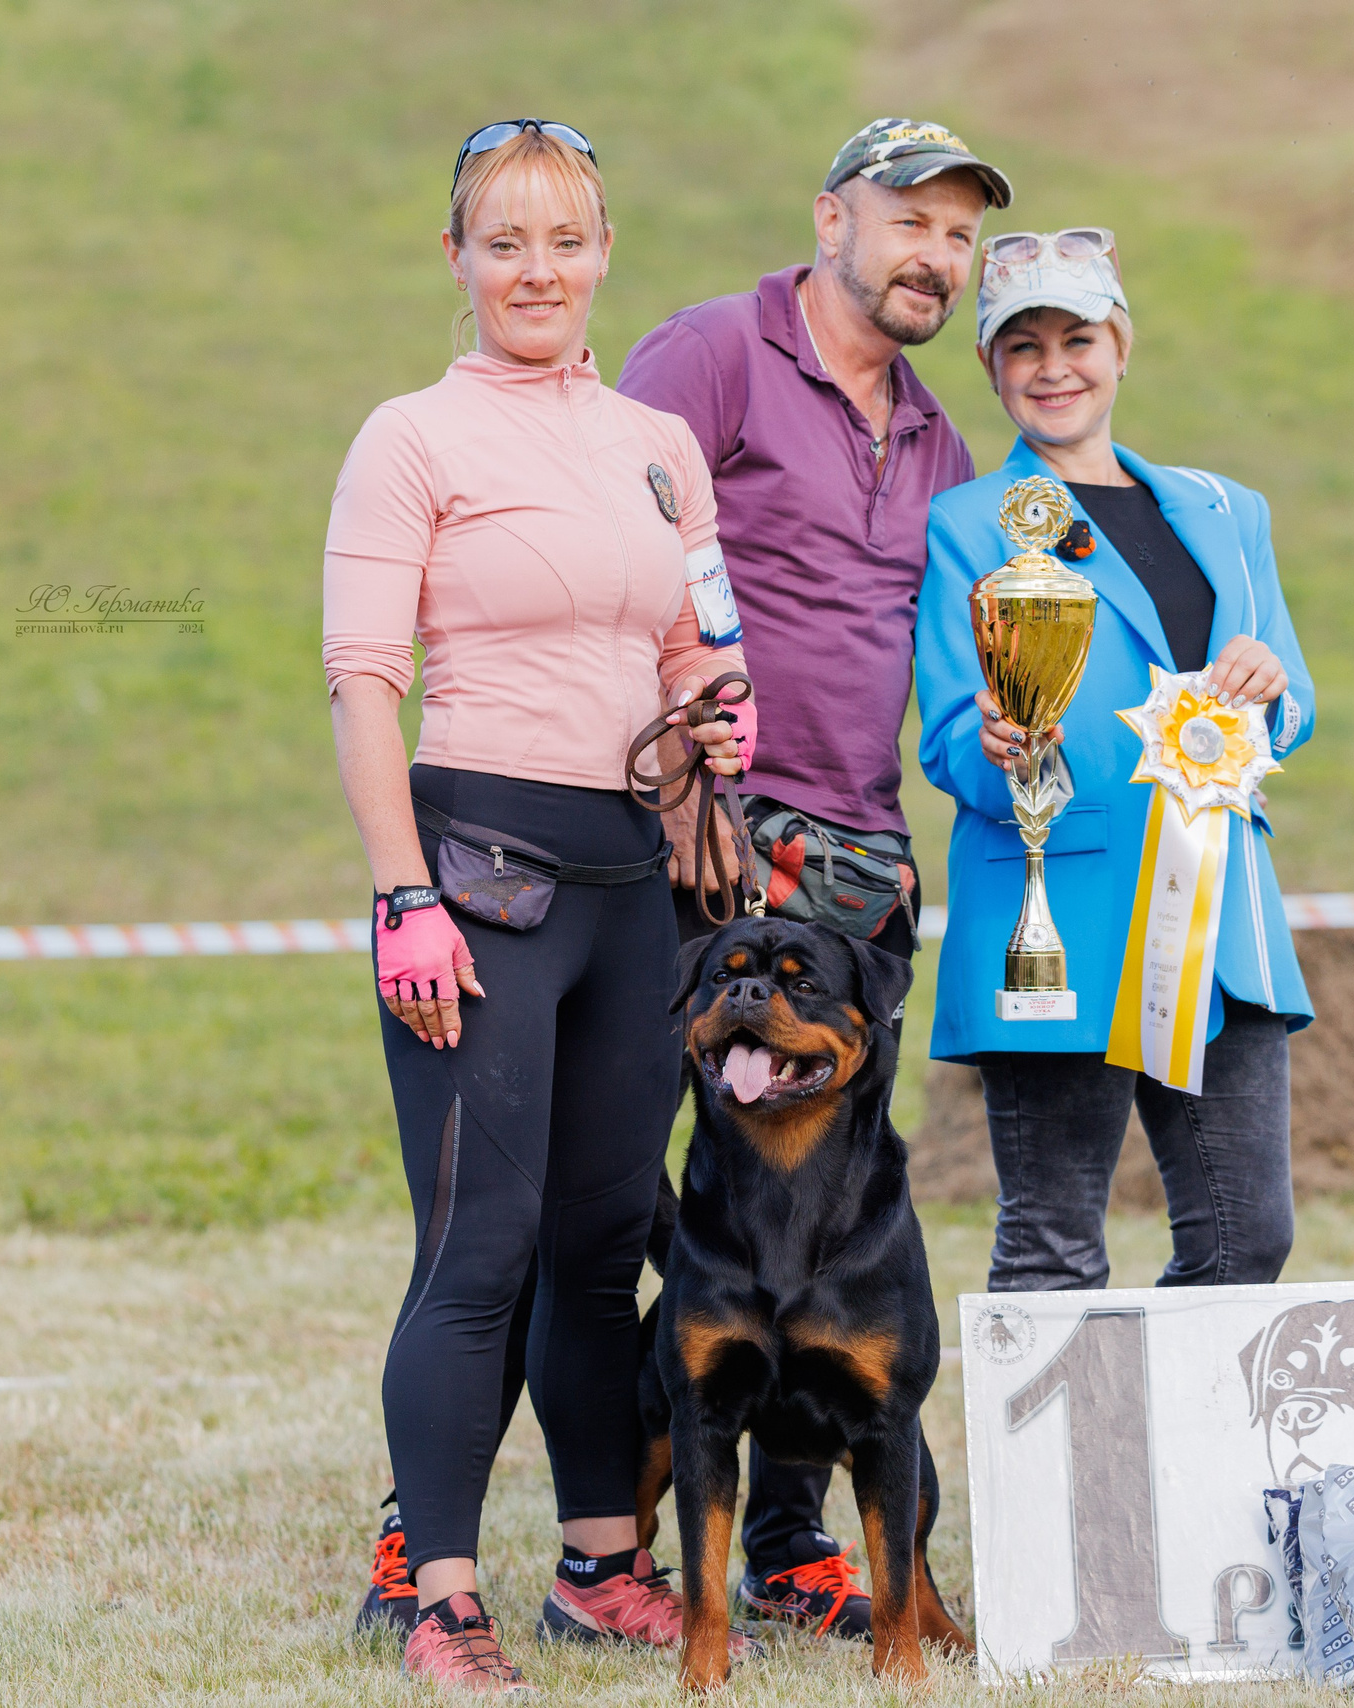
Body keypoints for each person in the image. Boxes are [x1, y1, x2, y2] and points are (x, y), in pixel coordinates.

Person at [322, 118, 754, 1691]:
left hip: (638, 877)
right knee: (479, 1247)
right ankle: (439, 1597)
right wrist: (402, 898)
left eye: (564, 240)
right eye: (503, 242)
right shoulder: (410, 437)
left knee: (600, 1243)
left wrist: (718, 701)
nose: (536, 270)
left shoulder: (661, 444)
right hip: (478, 874)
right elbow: (364, 685)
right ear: (457, 261)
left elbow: (695, 637)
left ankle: (599, 1568)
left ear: (603, 255)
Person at [616, 115, 1011, 1641]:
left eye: (958, 234)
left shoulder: (940, 436)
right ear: (830, 217)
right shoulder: (711, 354)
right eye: (909, 217)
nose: (933, 254)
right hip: (701, 846)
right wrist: (663, 784)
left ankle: (791, 1546)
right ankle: (589, 1538)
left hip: (858, 867)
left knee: (820, 1209)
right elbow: (612, 554)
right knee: (613, 1200)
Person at [914, 226, 1316, 1296]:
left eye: (1077, 338)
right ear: (992, 369)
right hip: (1055, 910)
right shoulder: (967, 523)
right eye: (1023, 346)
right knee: (1052, 1244)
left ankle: (1171, 1464)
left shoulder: (1232, 514)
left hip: (1219, 917)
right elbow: (949, 730)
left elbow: (1296, 698)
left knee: (1246, 1241)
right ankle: (1053, 1471)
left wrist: (1268, 687)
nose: (1054, 368)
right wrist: (990, 747)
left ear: (1122, 345)